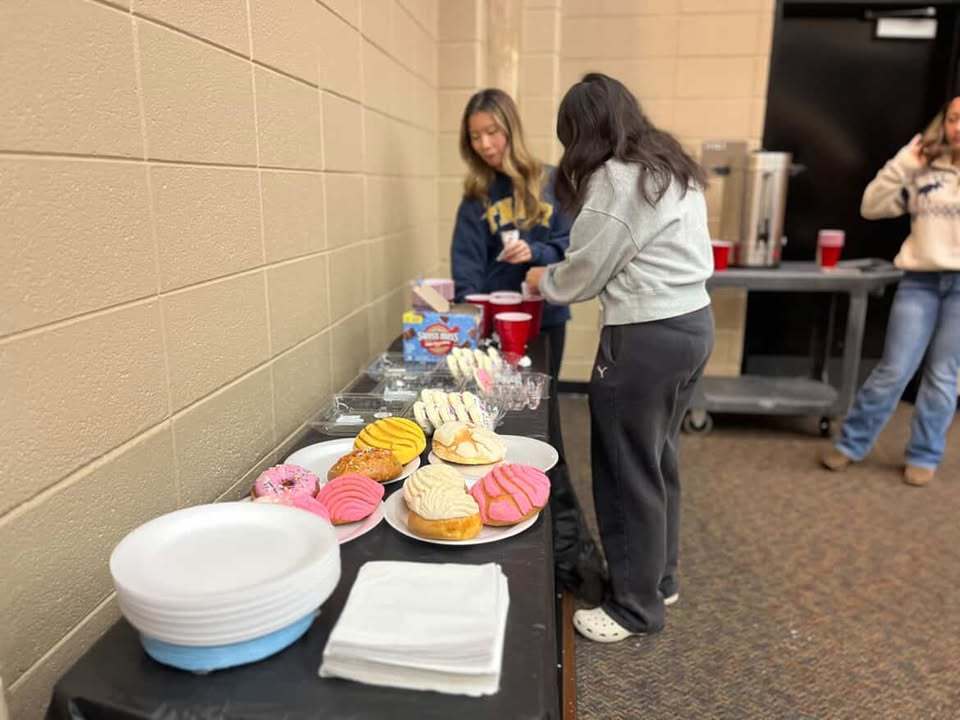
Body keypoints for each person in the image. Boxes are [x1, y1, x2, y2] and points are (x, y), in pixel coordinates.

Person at [525, 73, 714, 642]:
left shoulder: (614, 178)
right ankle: (659, 578)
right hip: (692, 328)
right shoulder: (669, 166)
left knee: (624, 470)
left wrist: (542, 279)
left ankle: (635, 607)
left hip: (644, 342)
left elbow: (583, 272)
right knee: (658, 461)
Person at [821, 97, 960, 486]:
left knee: (944, 376)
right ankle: (851, 444)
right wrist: (903, 164)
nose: (958, 127)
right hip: (920, 281)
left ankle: (924, 454)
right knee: (894, 369)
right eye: (953, 118)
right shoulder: (922, 169)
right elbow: (871, 206)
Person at [451, 88, 572, 379]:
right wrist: (472, 318)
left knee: (544, 404)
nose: (485, 144)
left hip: (546, 317)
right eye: (475, 136)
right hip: (496, 323)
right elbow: (466, 263)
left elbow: (572, 245)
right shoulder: (476, 195)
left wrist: (536, 252)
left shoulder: (553, 181)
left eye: (492, 132)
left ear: (511, 129)